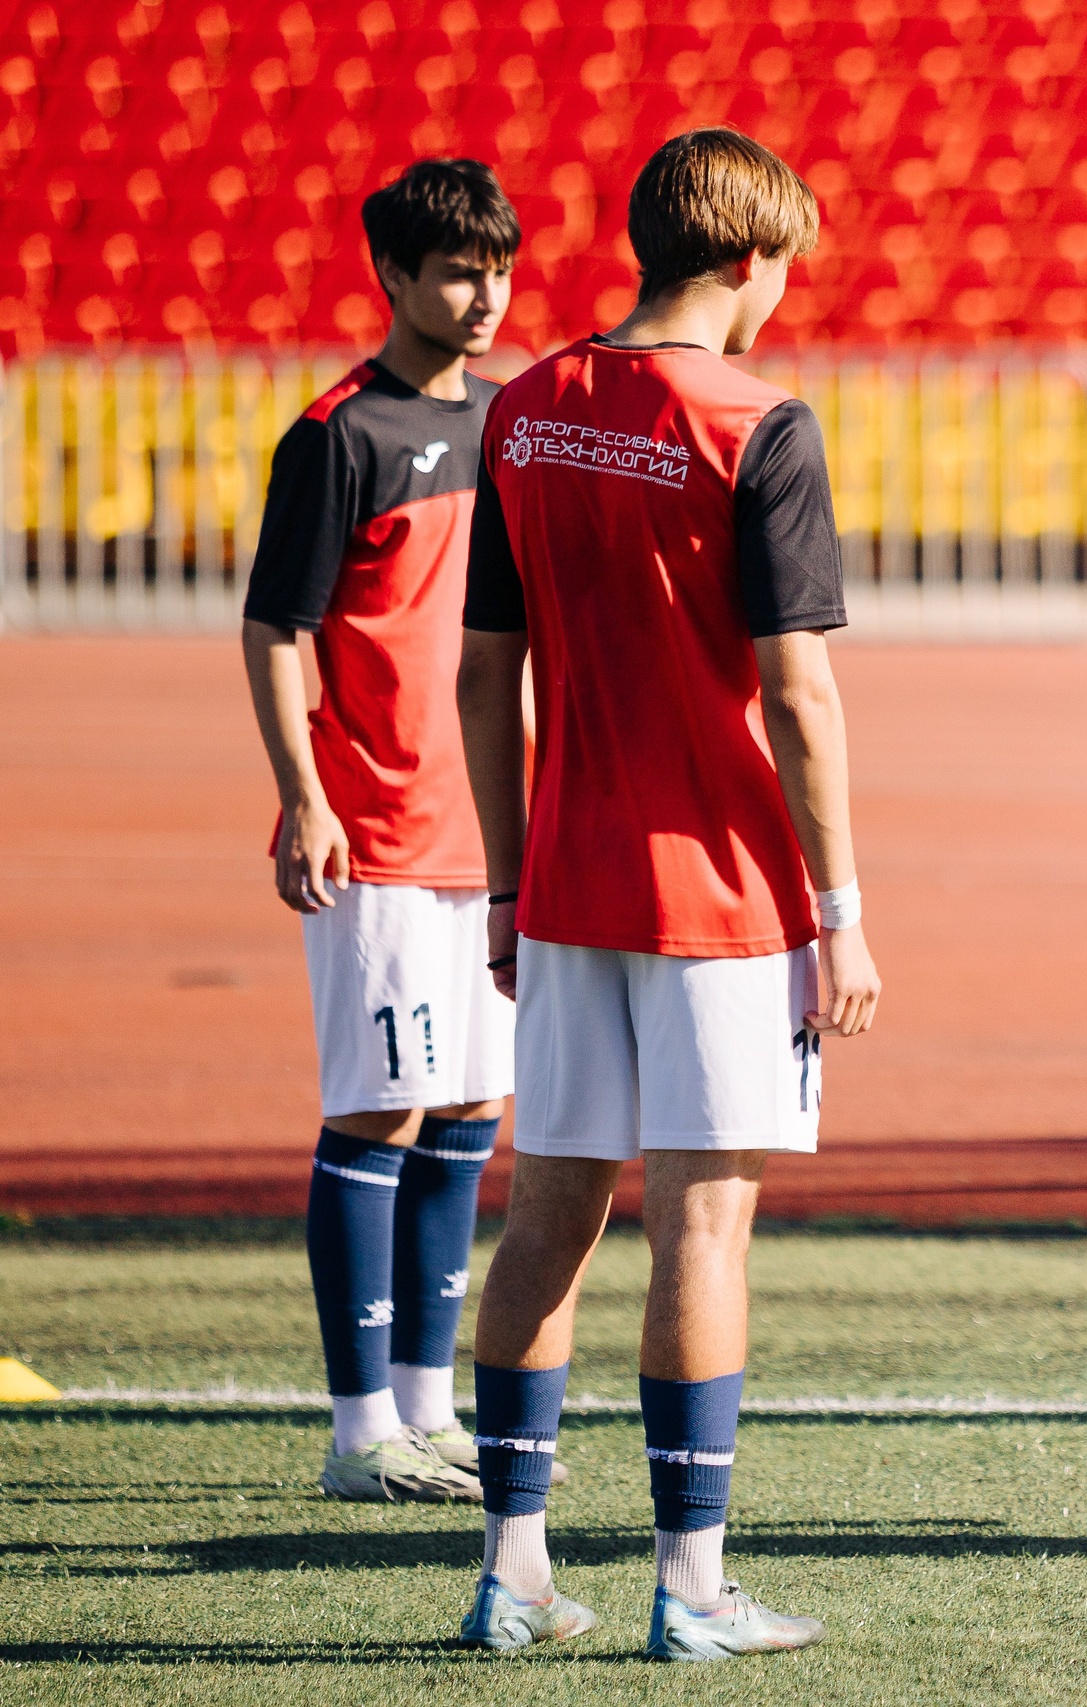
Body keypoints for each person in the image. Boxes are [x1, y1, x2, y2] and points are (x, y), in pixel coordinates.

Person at [454, 128, 882, 1659]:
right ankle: (692, 1589)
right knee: (704, 1231)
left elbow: (483, 673)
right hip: (718, 893)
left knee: (549, 1213)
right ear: (754, 261)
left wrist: (506, 886)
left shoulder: (526, 408)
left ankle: (512, 1573)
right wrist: (841, 906)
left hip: (566, 882)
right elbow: (799, 697)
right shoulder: (759, 423)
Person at [240, 158, 522, 1505]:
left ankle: (425, 1405)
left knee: (471, 1109)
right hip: (382, 829)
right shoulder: (338, 436)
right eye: (459, 270)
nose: (484, 296)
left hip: (493, 830)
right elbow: (276, 629)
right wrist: (304, 795)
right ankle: (359, 1431)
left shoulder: (517, 427)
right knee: (380, 1114)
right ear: (395, 278)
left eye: (499, 269)